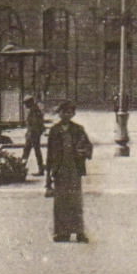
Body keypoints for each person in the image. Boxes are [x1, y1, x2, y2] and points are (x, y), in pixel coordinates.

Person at [45, 101, 94, 243]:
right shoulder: (54, 130)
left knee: (75, 201)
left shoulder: (78, 129)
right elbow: (49, 154)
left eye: (69, 112)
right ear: (59, 113)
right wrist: (48, 177)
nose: (66, 115)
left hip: (74, 169)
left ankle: (79, 232)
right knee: (60, 202)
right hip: (59, 170)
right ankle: (61, 233)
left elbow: (88, 146)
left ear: (73, 114)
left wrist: (83, 152)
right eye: (63, 112)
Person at [20, 96, 48, 180]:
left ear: (30, 102)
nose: (25, 105)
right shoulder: (35, 109)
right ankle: (23, 168)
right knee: (31, 151)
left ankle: (21, 169)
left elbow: (35, 124)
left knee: (30, 151)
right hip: (33, 134)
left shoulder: (34, 110)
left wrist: (30, 134)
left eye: (26, 103)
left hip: (33, 134)